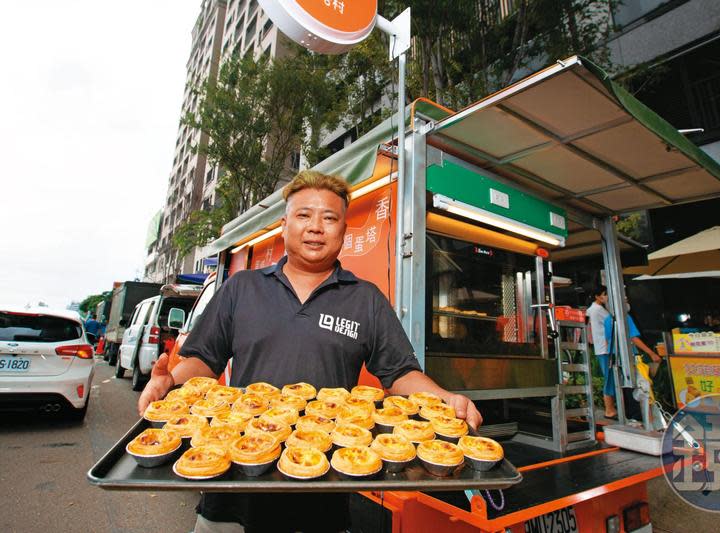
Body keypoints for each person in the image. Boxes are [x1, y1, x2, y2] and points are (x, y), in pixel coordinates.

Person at [138, 170, 482, 533]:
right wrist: (170, 383)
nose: (316, 227)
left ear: (344, 231)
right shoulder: (242, 288)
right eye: (304, 215)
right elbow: (204, 360)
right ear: (284, 225)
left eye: (329, 217)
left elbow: (400, 374)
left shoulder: (366, 299)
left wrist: (445, 399)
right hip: (232, 487)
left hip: (322, 494)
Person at [603, 309, 663, 409]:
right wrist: (651, 353)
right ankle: (645, 418)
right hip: (629, 355)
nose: (627, 302)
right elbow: (633, 338)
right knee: (641, 387)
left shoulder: (607, 319)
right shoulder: (625, 316)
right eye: (625, 299)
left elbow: (606, 340)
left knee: (623, 388)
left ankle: (631, 416)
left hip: (613, 355)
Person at [585, 286, 615, 418]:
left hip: (601, 347)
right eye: (604, 294)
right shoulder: (599, 310)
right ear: (597, 297)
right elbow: (612, 322)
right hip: (605, 348)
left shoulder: (591, 310)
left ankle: (611, 409)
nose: (606, 297)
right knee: (609, 378)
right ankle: (609, 410)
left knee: (608, 377)